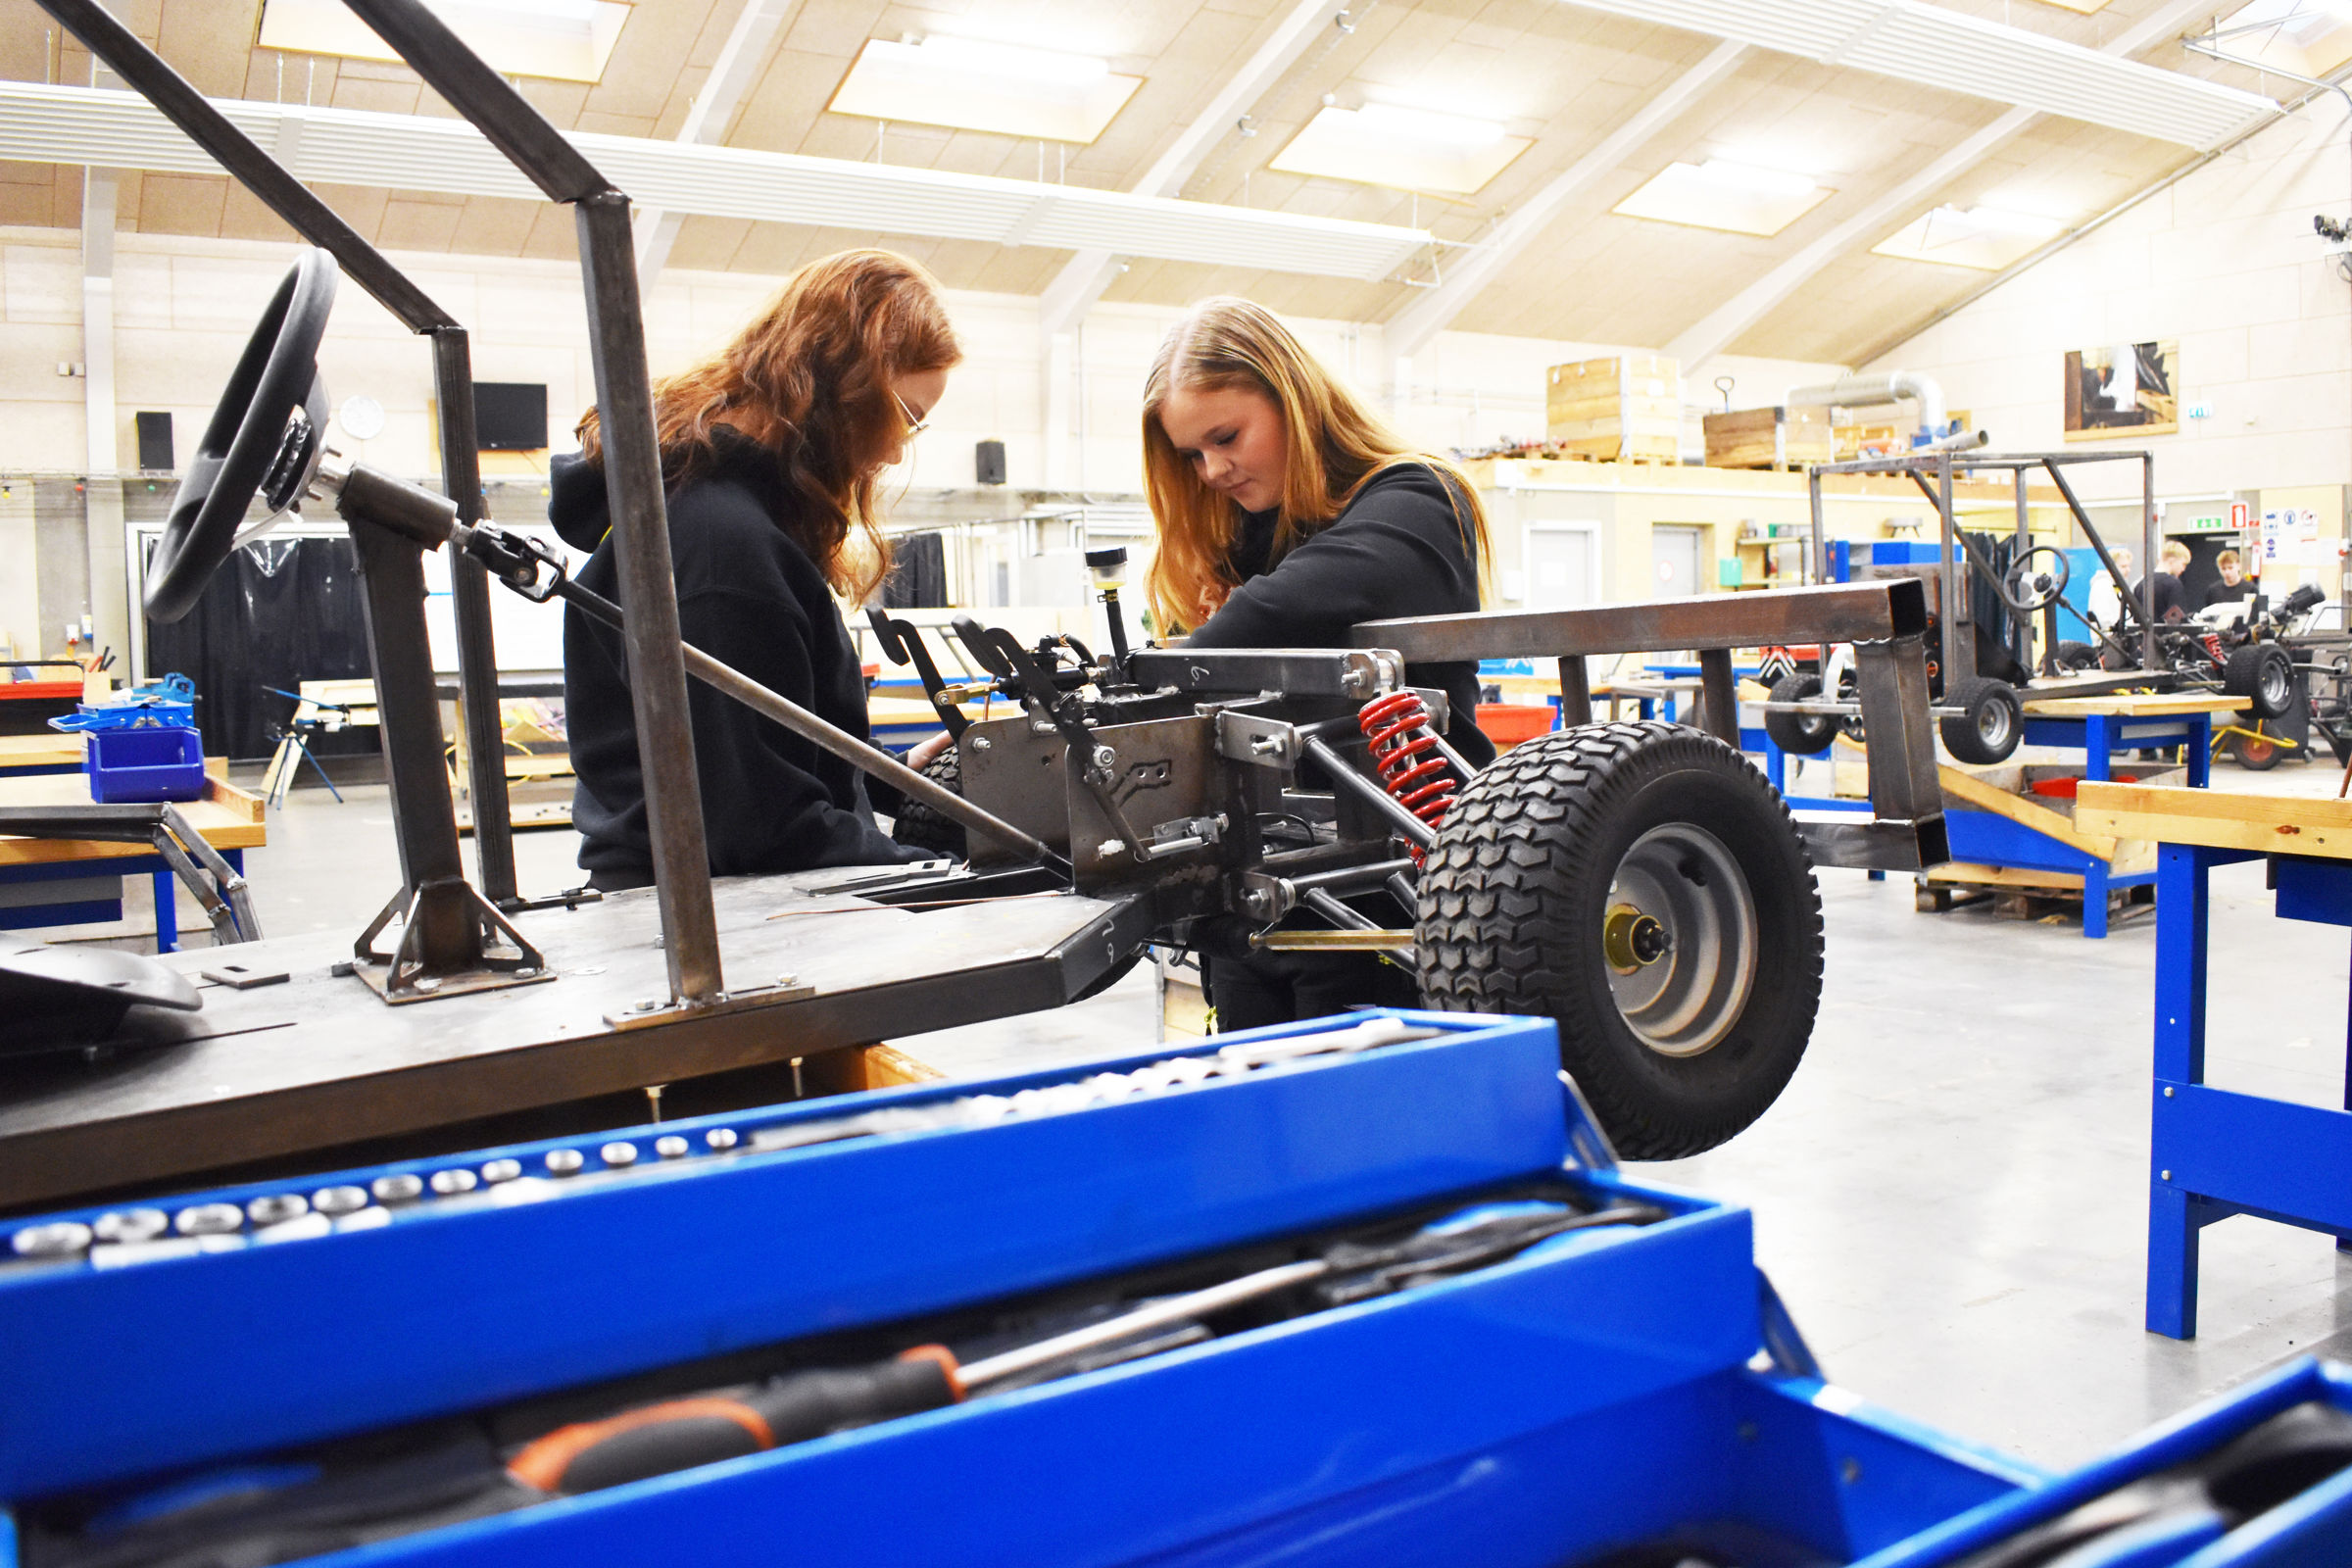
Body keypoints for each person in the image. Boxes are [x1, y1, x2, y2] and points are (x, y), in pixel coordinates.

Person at [554, 249, 958, 892]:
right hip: (718, 927)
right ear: (840, 384)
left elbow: (748, 760)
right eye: (901, 417)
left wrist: (888, 775)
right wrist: (962, 868)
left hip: (720, 905)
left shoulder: (715, 516)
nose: (891, 450)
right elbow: (766, 830)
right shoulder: (723, 547)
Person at [1141, 296, 1494, 1031]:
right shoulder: (1252, 537)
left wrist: (1123, 683)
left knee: (1372, 1129)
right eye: (1191, 455)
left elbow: (1276, 613)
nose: (1211, 469)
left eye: (1226, 436)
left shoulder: (1416, 498)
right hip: (1263, 899)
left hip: (1390, 905)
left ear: (1292, 397)